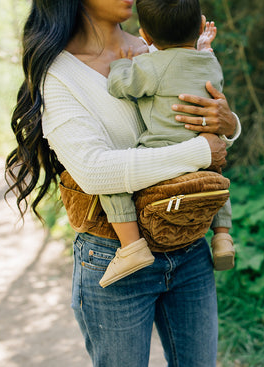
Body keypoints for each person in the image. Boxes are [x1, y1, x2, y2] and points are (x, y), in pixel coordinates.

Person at [5, 0, 240, 365]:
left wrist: (229, 124)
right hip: (114, 255)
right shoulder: (59, 74)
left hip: (189, 244)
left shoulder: (155, 46)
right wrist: (201, 151)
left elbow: (205, 131)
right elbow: (95, 171)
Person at [98, 0, 235, 288]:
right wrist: (204, 45)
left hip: (161, 150)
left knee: (112, 182)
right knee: (217, 177)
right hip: (204, 148)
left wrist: (122, 64)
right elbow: (192, 66)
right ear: (199, 26)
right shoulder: (211, 62)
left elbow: (120, 86)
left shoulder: (150, 65)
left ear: (145, 36)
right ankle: (222, 236)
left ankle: (131, 247)